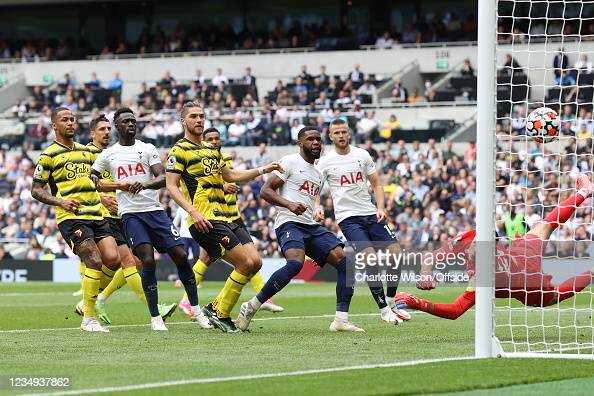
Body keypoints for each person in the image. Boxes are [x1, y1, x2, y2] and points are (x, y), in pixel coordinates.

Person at [396, 174, 594, 319]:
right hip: (518, 254)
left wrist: (419, 304)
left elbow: (455, 311)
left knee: (553, 297)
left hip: (526, 282)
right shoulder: (466, 238)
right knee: (544, 226)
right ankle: (584, 192)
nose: (474, 249)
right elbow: (430, 258)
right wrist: (425, 272)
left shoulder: (482, 277)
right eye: (476, 244)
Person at [165, 101, 283, 332]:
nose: (199, 120)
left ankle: (217, 309)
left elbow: (231, 175)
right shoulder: (178, 150)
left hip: (227, 217)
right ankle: (220, 311)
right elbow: (171, 186)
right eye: (194, 116)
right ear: (183, 121)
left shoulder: (211, 150)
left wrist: (263, 170)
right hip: (205, 220)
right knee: (245, 262)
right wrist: (192, 211)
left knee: (256, 262)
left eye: (202, 116)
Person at [91, 107, 211, 331]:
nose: (131, 124)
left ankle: (195, 309)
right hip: (130, 214)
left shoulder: (147, 148)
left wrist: (144, 184)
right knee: (146, 259)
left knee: (181, 255)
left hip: (155, 211)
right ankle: (155, 317)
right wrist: (116, 186)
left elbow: (163, 176)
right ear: (117, 126)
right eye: (126, 121)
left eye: (133, 121)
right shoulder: (108, 154)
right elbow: (92, 180)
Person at [237, 127, 364, 332]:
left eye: (318, 140)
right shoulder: (289, 161)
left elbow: (310, 196)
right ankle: (251, 306)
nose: (316, 143)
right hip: (288, 222)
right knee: (295, 264)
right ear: (300, 143)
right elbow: (265, 190)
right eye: (310, 139)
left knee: (346, 264)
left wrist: (317, 208)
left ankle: (340, 320)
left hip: (310, 225)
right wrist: (289, 204)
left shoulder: (318, 172)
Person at [76, 114, 176, 325]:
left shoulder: (115, 152)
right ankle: (153, 309)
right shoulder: (87, 154)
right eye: (101, 129)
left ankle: (96, 299)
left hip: (123, 213)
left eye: (107, 129)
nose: (105, 132)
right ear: (92, 133)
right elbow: (82, 183)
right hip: (102, 216)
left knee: (136, 261)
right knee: (127, 261)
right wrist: (101, 197)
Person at [31, 107, 120, 333]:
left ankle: (86, 302)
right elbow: (36, 190)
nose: (71, 123)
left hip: (96, 214)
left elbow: (97, 180)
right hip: (71, 217)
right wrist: (60, 202)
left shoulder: (85, 151)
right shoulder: (48, 154)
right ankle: (88, 320)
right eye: (65, 120)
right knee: (94, 259)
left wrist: (112, 192)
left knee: (113, 259)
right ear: (54, 126)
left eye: (72, 119)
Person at [315, 118, 411, 324]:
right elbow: (316, 187)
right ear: (330, 137)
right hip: (349, 218)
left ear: (349, 133)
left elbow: (377, 184)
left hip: (370, 213)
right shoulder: (325, 162)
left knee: (396, 254)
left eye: (344, 132)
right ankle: (384, 309)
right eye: (337, 133)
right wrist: (317, 206)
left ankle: (391, 300)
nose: (341, 136)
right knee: (370, 258)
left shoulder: (362, 155)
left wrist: (381, 208)